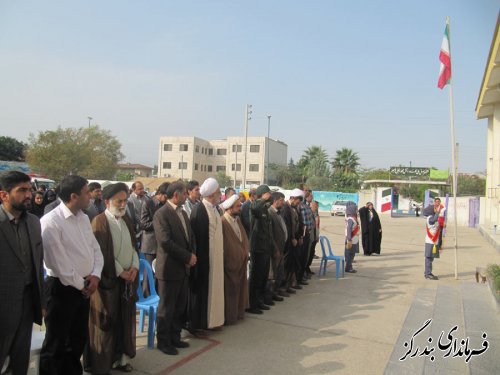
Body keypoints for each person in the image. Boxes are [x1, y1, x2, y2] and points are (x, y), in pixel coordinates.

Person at [40, 175, 104, 375]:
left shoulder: (83, 218)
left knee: (76, 340)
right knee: (56, 343)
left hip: (84, 287)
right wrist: (84, 284)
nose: (90, 198)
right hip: (62, 289)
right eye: (87, 193)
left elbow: (95, 250)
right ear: (74, 196)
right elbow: (58, 264)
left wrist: (95, 276)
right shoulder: (51, 222)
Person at [87, 183, 139, 374]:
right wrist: (120, 271)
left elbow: (134, 247)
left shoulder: (125, 220)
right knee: (106, 325)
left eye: (125, 200)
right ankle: (101, 364)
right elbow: (102, 252)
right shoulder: (100, 221)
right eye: (119, 200)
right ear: (108, 201)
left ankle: (120, 358)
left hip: (126, 281)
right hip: (107, 282)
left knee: (123, 322)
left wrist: (134, 266)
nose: (123, 204)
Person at [0, 171, 45, 375]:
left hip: (27, 301)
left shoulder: (34, 223)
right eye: (22, 190)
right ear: (4, 195)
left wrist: (41, 301)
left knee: (20, 358)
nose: (28, 195)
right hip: (3, 303)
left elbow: (38, 262)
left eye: (29, 190)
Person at [153, 181, 196, 355]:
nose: (186, 196)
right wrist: (187, 257)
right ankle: (163, 341)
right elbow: (165, 242)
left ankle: (175, 337)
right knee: (167, 308)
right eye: (184, 194)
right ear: (176, 195)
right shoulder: (161, 214)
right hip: (170, 269)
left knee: (179, 306)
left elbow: (190, 237)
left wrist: (191, 255)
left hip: (183, 268)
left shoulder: (183, 214)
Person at [189, 178, 225, 330]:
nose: (220, 195)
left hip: (216, 258)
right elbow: (195, 237)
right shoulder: (199, 209)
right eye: (218, 192)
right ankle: (198, 325)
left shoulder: (214, 208)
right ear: (211, 194)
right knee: (201, 292)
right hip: (203, 259)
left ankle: (212, 321)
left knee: (214, 290)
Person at [220, 195, 250, 324]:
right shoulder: (223, 222)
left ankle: (238, 313)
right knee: (230, 291)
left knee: (240, 289)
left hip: (240, 263)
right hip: (230, 264)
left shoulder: (237, 220)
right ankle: (229, 317)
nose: (240, 208)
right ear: (229, 209)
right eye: (238, 206)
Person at [247, 184, 274, 314]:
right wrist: (262, 198)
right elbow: (255, 208)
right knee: (256, 277)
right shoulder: (255, 206)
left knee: (263, 277)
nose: (269, 195)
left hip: (265, 248)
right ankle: (253, 305)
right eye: (267, 193)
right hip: (257, 249)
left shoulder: (264, 209)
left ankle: (260, 301)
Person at [281, 189, 304, 293]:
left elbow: (297, 223)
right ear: (293, 198)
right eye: (298, 201)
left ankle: (290, 284)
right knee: (286, 264)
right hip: (288, 242)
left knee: (292, 263)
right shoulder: (285, 208)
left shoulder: (294, 208)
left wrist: (299, 237)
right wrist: (292, 238)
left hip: (294, 240)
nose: (298, 203)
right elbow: (287, 227)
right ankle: (283, 287)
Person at [268, 192, 287, 301]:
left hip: (281, 247)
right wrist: (275, 248)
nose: (283, 202)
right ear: (275, 200)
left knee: (279, 272)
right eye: (281, 200)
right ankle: (270, 295)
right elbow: (271, 234)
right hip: (275, 249)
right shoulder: (270, 213)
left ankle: (276, 292)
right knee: (273, 273)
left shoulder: (278, 213)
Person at [422, 200, 443, 280]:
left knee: (431, 258)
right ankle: (428, 273)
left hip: (434, 242)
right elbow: (433, 220)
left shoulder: (433, 217)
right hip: (430, 241)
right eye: (434, 209)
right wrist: (437, 212)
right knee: (429, 257)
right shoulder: (430, 218)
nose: (435, 209)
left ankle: (428, 272)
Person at [344, 202, 360, 273]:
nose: (356, 210)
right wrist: (349, 239)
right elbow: (349, 229)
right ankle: (348, 267)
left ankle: (349, 266)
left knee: (352, 253)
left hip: (354, 239)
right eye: (355, 209)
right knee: (349, 254)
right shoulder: (350, 219)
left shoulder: (354, 218)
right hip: (351, 240)